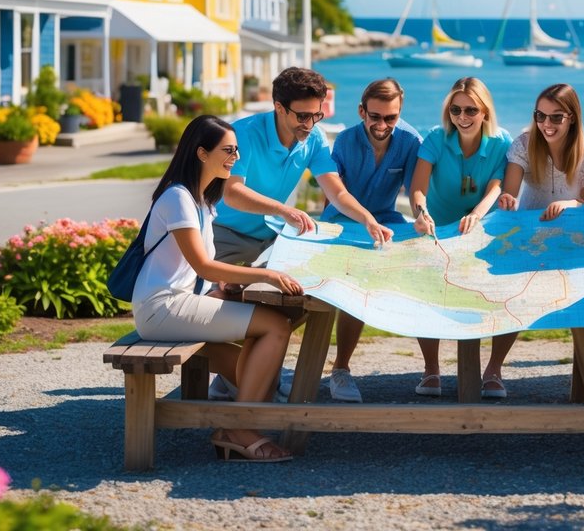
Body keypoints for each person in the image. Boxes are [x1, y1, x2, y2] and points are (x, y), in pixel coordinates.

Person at [131, 114, 303, 462]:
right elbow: (202, 265)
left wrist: (225, 284)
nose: (236, 158)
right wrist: (264, 277)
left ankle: (237, 423)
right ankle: (240, 430)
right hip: (161, 308)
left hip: (182, 301)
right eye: (227, 150)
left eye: (237, 150)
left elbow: (200, 271)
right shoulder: (177, 198)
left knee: (258, 369)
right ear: (201, 153)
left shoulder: (202, 201)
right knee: (276, 326)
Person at [212, 66, 394, 266]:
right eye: (302, 116)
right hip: (225, 235)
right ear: (279, 107)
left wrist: (368, 219)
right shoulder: (242, 133)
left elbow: (337, 193)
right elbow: (231, 192)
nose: (309, 124)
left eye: (316, 115)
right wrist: (283, 210)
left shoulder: (315, 138)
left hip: (272, 239)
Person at [492, 83, 584, 398]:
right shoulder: (524, 145)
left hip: (569, 241)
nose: (547, 124)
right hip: (528, 236)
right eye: (541, 116)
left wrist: (569, 205)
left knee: (583, 298)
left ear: (572, 118)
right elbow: (510, 192)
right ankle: (492, 370)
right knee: (512, 296)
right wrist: (507, 200)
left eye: (556, 117)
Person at [319, 78, 422, 403]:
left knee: (425, 264)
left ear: (399, 113)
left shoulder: (410, 140)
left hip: (385, 220)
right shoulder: (345, 141)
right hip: (343, 222)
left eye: (390, 118)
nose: (382, 125)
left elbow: (415, 188)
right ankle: (339, 369)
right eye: (374, 116)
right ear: (362, 111)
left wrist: (421, 212)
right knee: (343, 287)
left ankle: (431, 369)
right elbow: (336, 195)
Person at [409, 76, 512, 397]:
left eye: (471, 110)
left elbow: (498, 185)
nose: (463, 117)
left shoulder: (501, 142)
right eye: (456, 110)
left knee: (507, 294)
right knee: (428, 294)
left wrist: (477, 214)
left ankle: (494, 370)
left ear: (485, 112)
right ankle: (431, 370)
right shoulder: (436, 138)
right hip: (438, 229)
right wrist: (420, 213)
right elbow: (417, 187)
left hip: (481, 228)